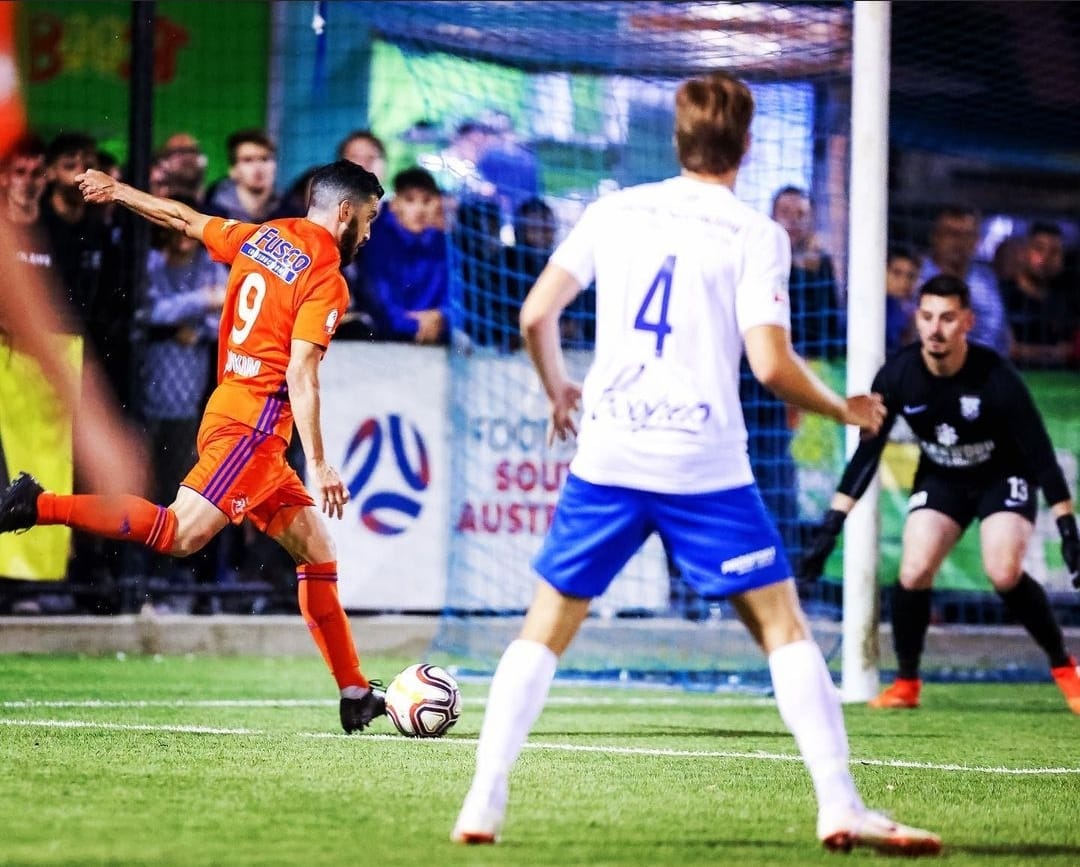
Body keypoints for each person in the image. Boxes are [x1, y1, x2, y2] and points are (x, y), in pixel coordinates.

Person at [451, 71, 941, 856]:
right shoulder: (755, 232)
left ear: (677, 140)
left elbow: (534, 311)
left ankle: (484, 796)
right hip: (703, 463)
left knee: (543, 628)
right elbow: (773, 366)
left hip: (609, 450)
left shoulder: (613, 210)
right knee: (783, 627)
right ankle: (840, 803)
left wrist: (558, 391)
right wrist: (844, 407)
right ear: (746, 147)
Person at [0, 159, 388, 733]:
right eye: (371, 220)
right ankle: (37, 505)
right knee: (179, 534)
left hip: (240, 421)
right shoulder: (326, 278)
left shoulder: (262, 237)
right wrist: (324, 463)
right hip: (253, 430)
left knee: (317, 552)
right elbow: (302, 374)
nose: (370, 234)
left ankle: (355, 691)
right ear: (346, 212)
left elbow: (183, 218)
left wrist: (118, 190)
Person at [798, 275, 1080, 714]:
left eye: (948, 318)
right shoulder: (898, 375)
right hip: (942, 476)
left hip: (1001, 476)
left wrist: (1067, 529)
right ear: (917, 319)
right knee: (912, 572)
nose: (936, 328)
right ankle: (907, 683)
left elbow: (1042, 455)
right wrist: (830, 526)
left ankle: (1065, 669)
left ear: (967, 321)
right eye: (927, 316)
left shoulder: (996, 376)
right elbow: (866, 454)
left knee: (1003, 572)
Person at [361, 166, 449, 344]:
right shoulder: (375, 241)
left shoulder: (444, 244)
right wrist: (418, 324)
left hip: (435, 336)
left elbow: (454, 299)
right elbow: (380, 305)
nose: (419, 209)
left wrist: (441, 317)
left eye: (426, 201)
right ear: (394, 204)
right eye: (410, 200)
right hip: (386, 340)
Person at [920, 205, 1009, 357]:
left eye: (967, 235)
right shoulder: (916, 276)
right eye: (951, 233)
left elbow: (1002, 334)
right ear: (935, 236)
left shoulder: (986, 279)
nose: (959, 242)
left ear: (977, 241)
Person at [1001, 222, 1076, 369]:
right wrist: (1055, 353)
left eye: (1055, 251)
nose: (1047, 257)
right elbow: (1006, 348)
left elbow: (1072, 350)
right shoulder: (1001, 295)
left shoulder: (1067, 302)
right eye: (1039, 248)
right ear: (1023, 253)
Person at [203, 128, 281, 223]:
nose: (258, 167)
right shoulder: (210, 216)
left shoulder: (291, 213)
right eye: (248, 160)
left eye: (265, 159)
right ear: (233, 170)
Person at [885, 245, 921, 356]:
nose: (904, 282)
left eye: (910, 276)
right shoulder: (878, 307)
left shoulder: (910, 309)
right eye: (897, 273)